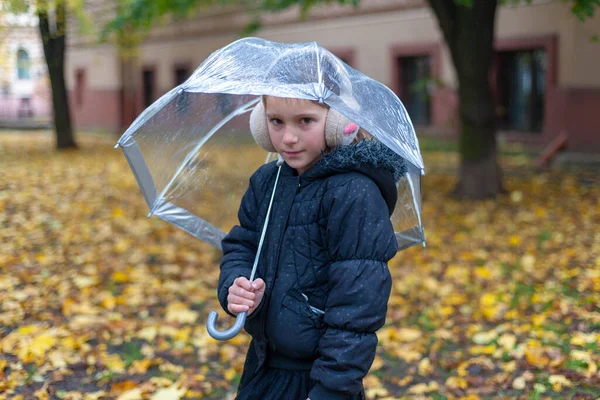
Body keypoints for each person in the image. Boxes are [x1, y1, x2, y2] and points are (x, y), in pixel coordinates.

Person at [217, 94, 406, 400]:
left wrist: (331, 389)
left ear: (337, 124)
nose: (288, 138)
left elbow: (357, 309)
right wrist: (235, 285)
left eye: (305, 121)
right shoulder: (268, 182)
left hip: (320, 379)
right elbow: (242, 244)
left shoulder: (354, 193)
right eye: (275, 121)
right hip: (264, 367)